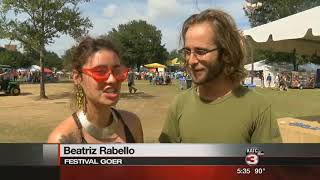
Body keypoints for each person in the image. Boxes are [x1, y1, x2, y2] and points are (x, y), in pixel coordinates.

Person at [159, 9, 282, 143]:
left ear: (226, 54)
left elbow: (268, 163)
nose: (191, 60)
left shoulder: (258, 108)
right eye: (188, 51)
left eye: (201, 51)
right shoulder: (179, 104)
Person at [48, 37, 143, 143]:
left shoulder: (132, 124)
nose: (112, 79)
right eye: (100, 72)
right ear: (77, 77)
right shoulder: (61, 139)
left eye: (117, 71)